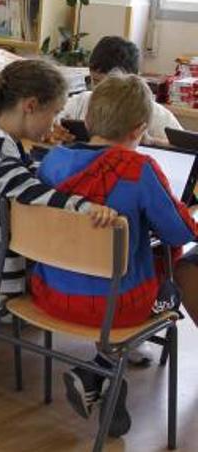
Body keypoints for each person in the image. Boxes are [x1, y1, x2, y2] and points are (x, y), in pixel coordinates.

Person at [33, 75, 198, 437]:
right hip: (116, 308)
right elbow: (179, 233)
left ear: (89, 120)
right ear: (141, 129)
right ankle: (101, 367)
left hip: (47, 293)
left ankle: (101, 376)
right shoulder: (139, 169)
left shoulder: (52, 160)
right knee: (169, 290)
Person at [0, 59, 116, 294]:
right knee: (59, 237)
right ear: (30, 106)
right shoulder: (0, 157)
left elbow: (19, 172)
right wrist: (87, 207)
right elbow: (32, 192)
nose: (55, 123)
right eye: (54, 113)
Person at [53, 36, 181, 144]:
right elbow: (50, 121)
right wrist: (53, 131)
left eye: (110, 86)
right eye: (95, 81)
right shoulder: (81, 102)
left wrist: (150, 142)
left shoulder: (157, 116)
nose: (100, 91)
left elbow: (184, 150)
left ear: (133, 81)